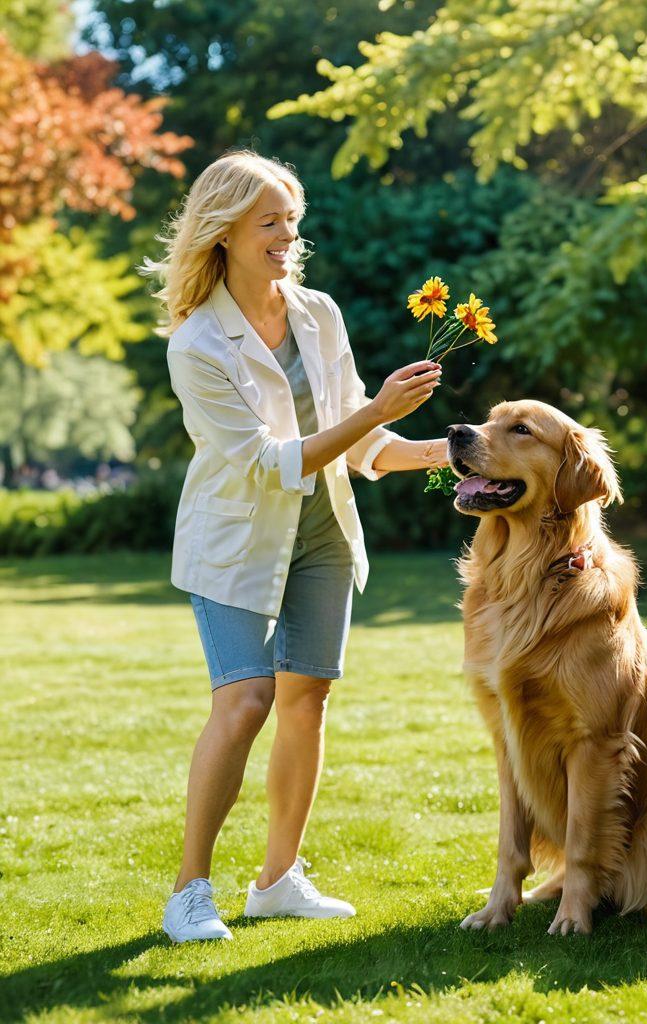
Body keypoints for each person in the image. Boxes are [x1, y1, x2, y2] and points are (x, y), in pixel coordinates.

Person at [140, 150, 448, 943]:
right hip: (235, 541)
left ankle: (278, 881)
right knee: (246, 700)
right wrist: (376, 410)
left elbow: (356, 444)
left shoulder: (318, 313)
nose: (287, 235)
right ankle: (189, 891)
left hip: (322, 536)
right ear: (224, 230)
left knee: (307, 699)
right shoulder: (196, 345)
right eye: (269, 221)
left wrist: (449, 450)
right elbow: (268, 462)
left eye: (292, 220)